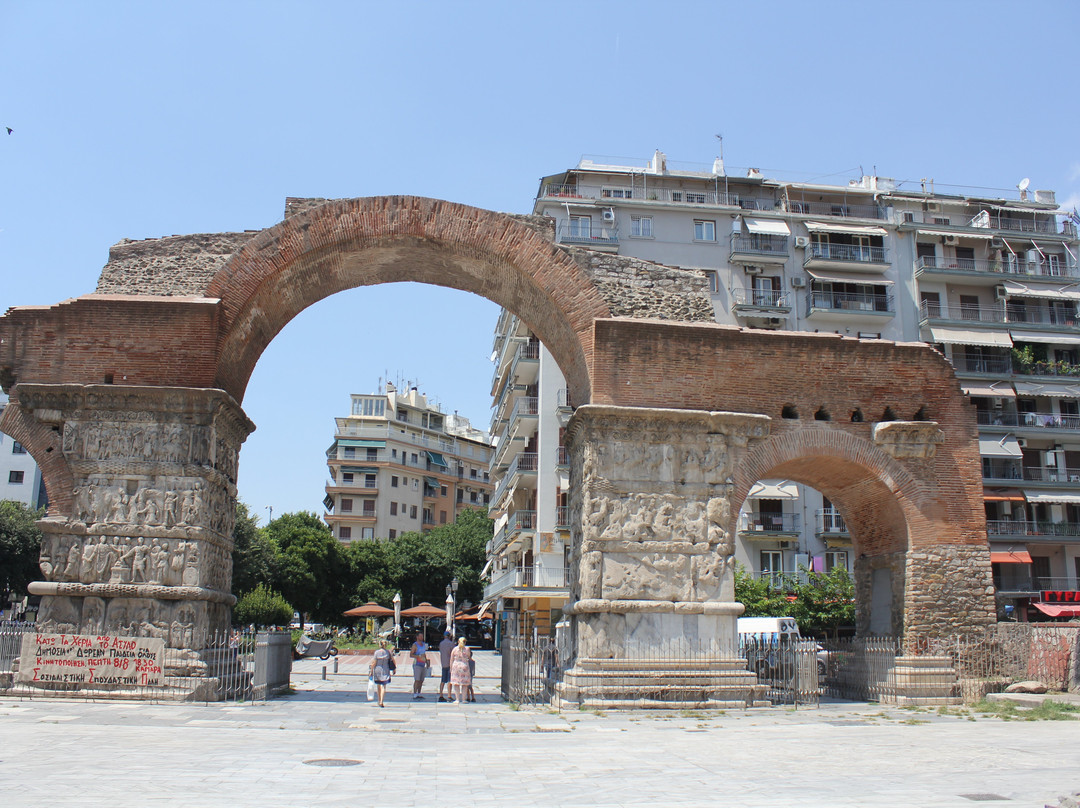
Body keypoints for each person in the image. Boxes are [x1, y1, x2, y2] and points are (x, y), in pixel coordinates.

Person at [368, 639, 394, 708]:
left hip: (377, 670)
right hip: (386, 670)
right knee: (383, 686)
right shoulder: (388, 652)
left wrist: (371, 671)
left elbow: (374, 662)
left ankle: (379, 700)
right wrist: (394, 669)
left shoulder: (377, 652)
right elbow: (392, 660)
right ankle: (381, 701)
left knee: (379, 686)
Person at [449, 636, 473, 704]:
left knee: (456, 683)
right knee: (464, 684)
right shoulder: (467, 649)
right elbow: (469, 656)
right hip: (464, 666)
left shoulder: (454, 649)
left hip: (456, 666)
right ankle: (463, 699)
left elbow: (451, 659)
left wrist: (451, 668)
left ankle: (457, 699)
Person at [410, 633, 430, 700]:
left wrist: (426, 661)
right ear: (417, 637)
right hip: (417, 664)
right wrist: (418, 656)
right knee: (417, 679)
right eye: (420, 636)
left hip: (423, 664)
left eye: (422, 636)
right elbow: (411, 654)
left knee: (421, 680)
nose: (421, 637)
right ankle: (415, 694)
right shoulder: (415, 645)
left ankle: (419, 693)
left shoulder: (424, 645)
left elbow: (424, 654)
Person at [437, 629, 454, 702]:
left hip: (443, 663)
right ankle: (449, 695)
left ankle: (441, 695)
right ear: (449, 636)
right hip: (450, 664)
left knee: (443, 680)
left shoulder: (441, 643)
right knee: (449, 680)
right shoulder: (451, 644)